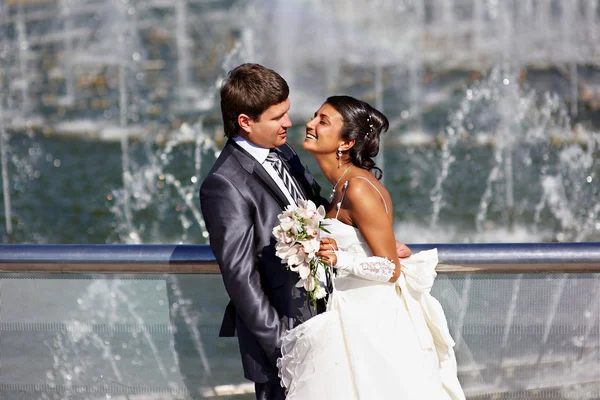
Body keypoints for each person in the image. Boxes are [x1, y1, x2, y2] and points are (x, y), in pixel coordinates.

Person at [199, 64, 411, 400]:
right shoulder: (224, 185)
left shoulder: (283, 151)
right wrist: (282, 344)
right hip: (286, 344)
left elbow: (319, 212)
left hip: (331, 326)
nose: (289, 123)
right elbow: (240, 276)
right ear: (245, 122)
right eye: (277, 117)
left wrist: (365, 242)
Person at [277, 95, 466, 399]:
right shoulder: (341, 187)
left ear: (346, 143)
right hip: (347, 314)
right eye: (315, 116)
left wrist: (339, 258)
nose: (310, 124)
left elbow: (390, 268)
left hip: (373, 325)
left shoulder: (360, 188)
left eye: (323, 121)